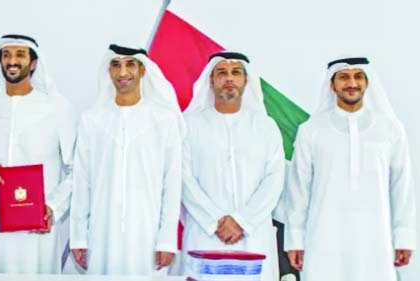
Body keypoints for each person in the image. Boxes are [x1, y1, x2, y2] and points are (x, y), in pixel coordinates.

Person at [283, 57, 416, 281]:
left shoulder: (390, 129)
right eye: (344, 77)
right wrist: (295, 239)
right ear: (332, 85)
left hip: (377, 240)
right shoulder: (312, 130)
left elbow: (402, 186)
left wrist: (404, 237)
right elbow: (298, 190)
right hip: (323, 238)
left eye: (358, 77)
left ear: (367, 83)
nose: (351, 83)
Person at [70, 44, 182, 276]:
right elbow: (82, 182)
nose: (123, 73)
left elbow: (172, 184)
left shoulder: (164, 120)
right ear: (108, 71)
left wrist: (167, 240)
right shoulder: (92, 120)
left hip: (148, 236)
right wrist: (79, 236)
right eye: (116, 65)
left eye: (130, 64)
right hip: (102, 234)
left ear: (142, 71)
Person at [0, 34, 77, 273]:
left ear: (33, 63)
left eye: (20, 54)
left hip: (37, 222)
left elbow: (75, 170)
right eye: (6, 55)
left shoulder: (57, 107)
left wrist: (52, 206)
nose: (12, 61)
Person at [180, 52, 284, 280]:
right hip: (205, 234)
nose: (229, 78)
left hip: (253, 236)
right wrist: (214, 221)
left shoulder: (266, 127)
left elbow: (274, 179)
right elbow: (183, 179)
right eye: (222, 73)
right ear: (211, 80)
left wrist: (242, 221)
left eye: (236, 72)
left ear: (246, 80)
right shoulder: (189, 125)